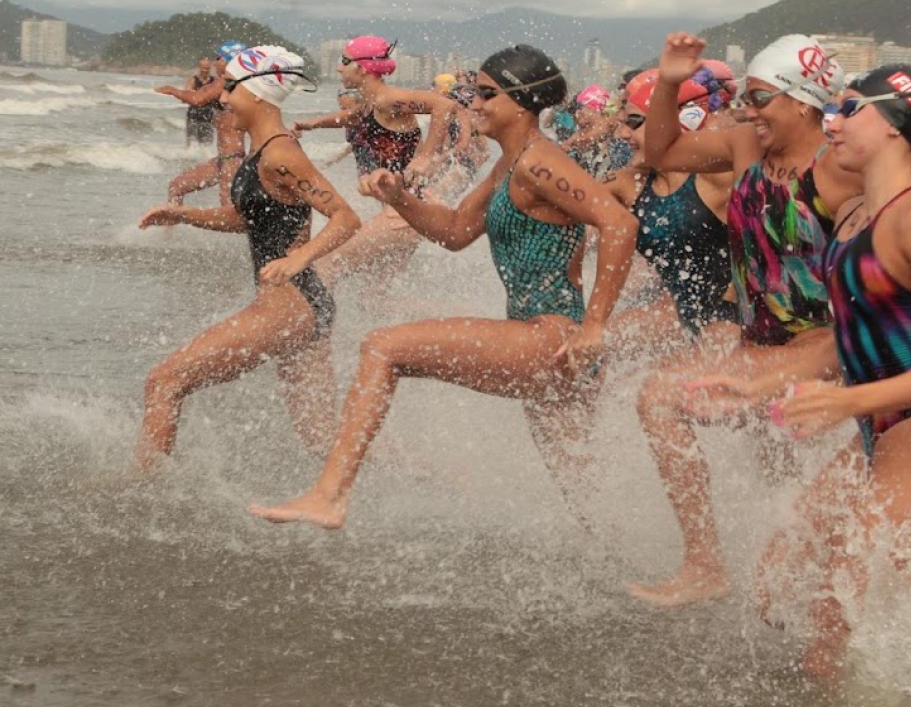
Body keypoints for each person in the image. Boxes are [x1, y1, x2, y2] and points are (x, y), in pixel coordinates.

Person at [627, 33, 911, 607]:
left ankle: (704, 564)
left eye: (761, 99)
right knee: (789, 510)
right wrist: (668, 82)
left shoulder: (841, 167)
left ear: (801, 100)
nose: (748, 109)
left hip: (821, 344)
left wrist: (907, 290)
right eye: (746, 96)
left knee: (659, 396)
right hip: (759, 339)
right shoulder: (745, 147)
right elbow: (661, 152)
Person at [249, 44, 639, 530]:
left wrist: (596, 326)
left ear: (520, 101)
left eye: (485, 93)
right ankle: (625, 560)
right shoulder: (511, 162)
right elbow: (455, 232)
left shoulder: (541, 162)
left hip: (555, 337)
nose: (472, 103)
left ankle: (329, 495)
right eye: (473, 91)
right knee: (584, 491)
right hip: (545, 339)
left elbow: (619, 224)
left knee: (382, 348)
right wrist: (399, 198)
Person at [688, 65, 911, 678]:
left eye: (850, 109)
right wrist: (756, 384)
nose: (833, 122)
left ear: (895, 125)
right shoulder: (855, 221)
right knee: (774, 589)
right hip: (872, 442)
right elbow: (843, 341)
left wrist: (848, 403)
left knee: (830, 628)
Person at [134, 47, 363, 470]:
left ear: (258, 93)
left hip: (288, 304)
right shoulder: (262, 152)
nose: (222, 98)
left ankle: (139, 496)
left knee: (164, 381)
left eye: (231, 88)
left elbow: (346, 219)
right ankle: (420, 479)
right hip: (305, 306)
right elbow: (246, 219)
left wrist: (296, 262)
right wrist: (185, 215)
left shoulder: (280, 154)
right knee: (321, 439)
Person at [293, 36, 456, 295]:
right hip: (411, 209)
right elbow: (354, 116)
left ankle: (316, 335)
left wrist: (425, 156)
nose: (339, 67)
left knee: (324, 267)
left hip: (404, 214)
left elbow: (444, 105)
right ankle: (459, 324)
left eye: (345, 61)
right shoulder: (373, 102)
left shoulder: (387, 99)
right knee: (374, 297)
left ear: (362, 67)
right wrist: (313, 124)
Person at [605, 63, 738, 345]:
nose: (622, 135)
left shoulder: (718, 179)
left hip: (733, 327)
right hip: (687, 325)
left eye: (634, 123)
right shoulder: (630, 183)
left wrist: (727, 313)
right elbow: (573, 198)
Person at [155, 41, 249, 205]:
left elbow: (197, 98)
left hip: (232, 161)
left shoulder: (226, 82)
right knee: (176, 187)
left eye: (218, 58)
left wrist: (172, 90)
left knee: (229, 216)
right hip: (224, 160)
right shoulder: (242, 85)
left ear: (229, 61)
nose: (215, 62)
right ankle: (172, 230)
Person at [184, 56, 219, 146]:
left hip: (208, 114)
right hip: (194, 113)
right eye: (203, 68)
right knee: (192, 141)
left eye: (207, 68)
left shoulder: (214, 80)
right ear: (199, 67)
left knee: (207, 141)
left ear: (210, 68)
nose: (205, 70)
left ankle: (206, 157)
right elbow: (187, 94)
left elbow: (217, 96)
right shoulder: (193, 79)